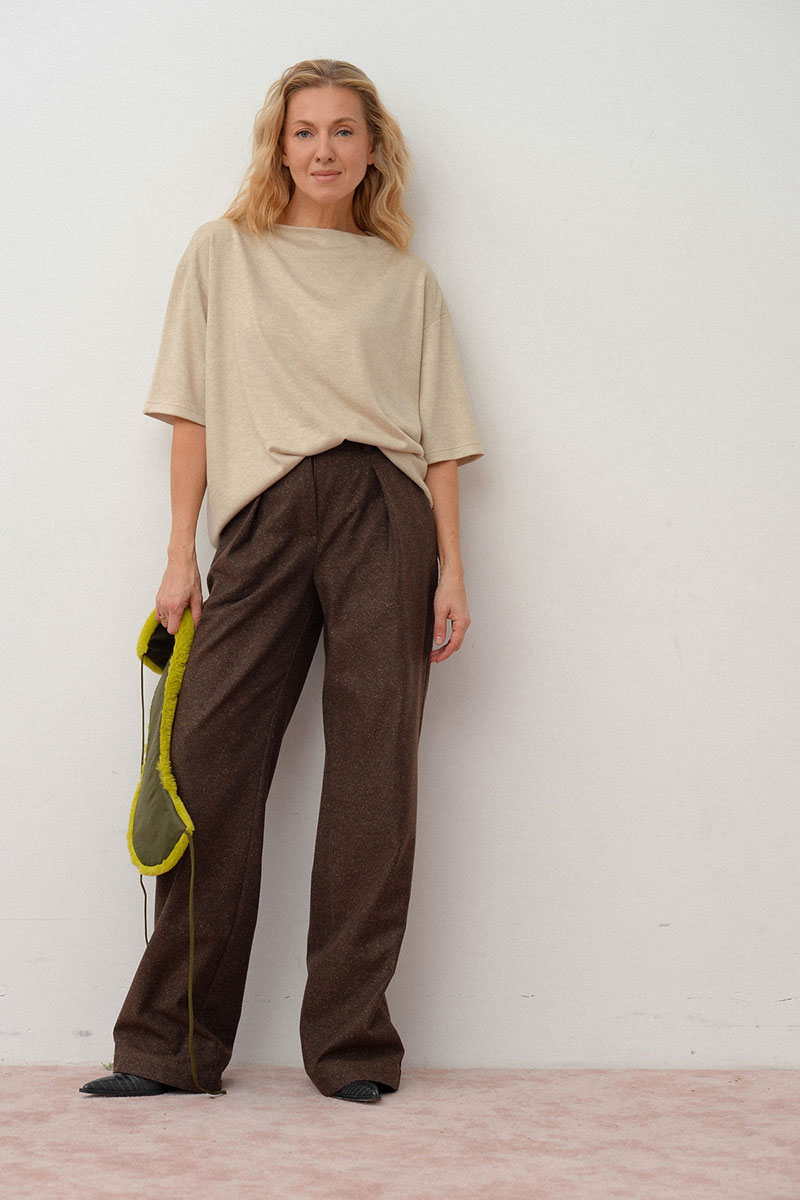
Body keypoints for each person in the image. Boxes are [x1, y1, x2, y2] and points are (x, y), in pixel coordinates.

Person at [80, 57, 484, 1104]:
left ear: (371, 149)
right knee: (204, 765)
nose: (322, 149)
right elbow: (191, 412)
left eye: (343, 130)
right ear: (278, 145)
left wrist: (451, 569)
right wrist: (180, 551)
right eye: (304, 131)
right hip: (260, 517)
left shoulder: (405, 282)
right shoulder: (223, 252)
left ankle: (351, 1048)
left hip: (383, 513)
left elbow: (441, 441)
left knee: (373, 779)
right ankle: (169, 1046)